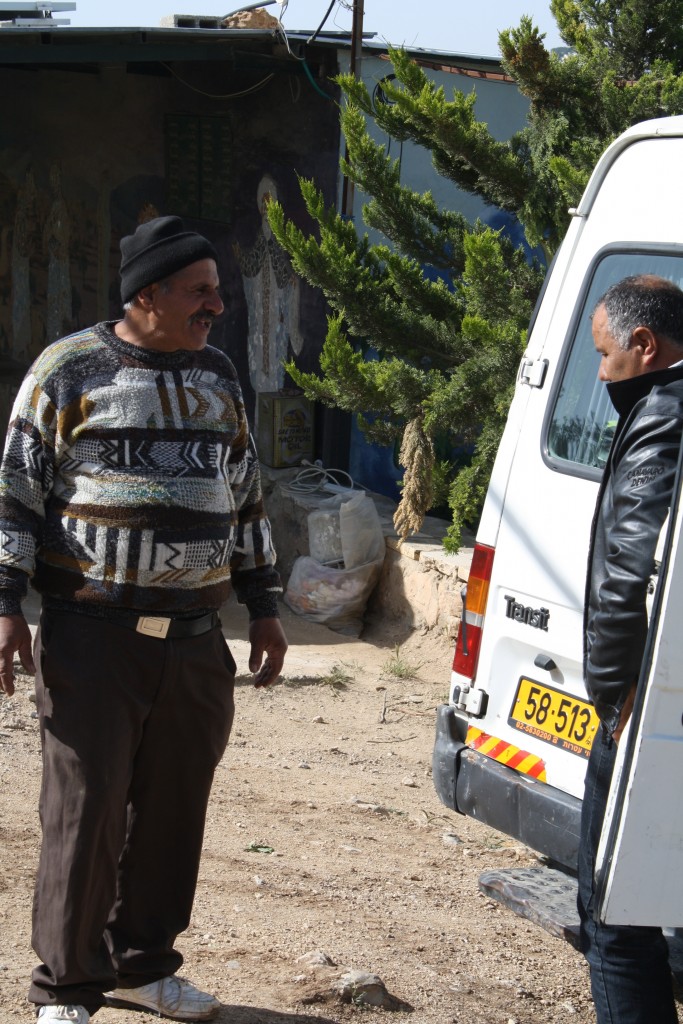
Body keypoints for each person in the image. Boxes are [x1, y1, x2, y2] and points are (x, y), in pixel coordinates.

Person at [0, 215, 288, 1023]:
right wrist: (5, 605)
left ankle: (142, 966)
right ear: (148, 294)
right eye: (200, 292)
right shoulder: (68, 370)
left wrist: (264, 605)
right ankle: (67, 987)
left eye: (216, 291)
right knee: (85, 812)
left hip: (196, 645)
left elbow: (245, 496)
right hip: (93, 639)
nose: (217, 306)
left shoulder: (219, 375)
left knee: (171, 813)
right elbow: (15, 494)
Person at [580, 273, 683, 1024]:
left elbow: (629, 572)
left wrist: (612, 699)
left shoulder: (662, 413)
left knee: (613, 920)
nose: (599, 372)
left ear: (643, 344)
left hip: (645, 709)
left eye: (603, 354)